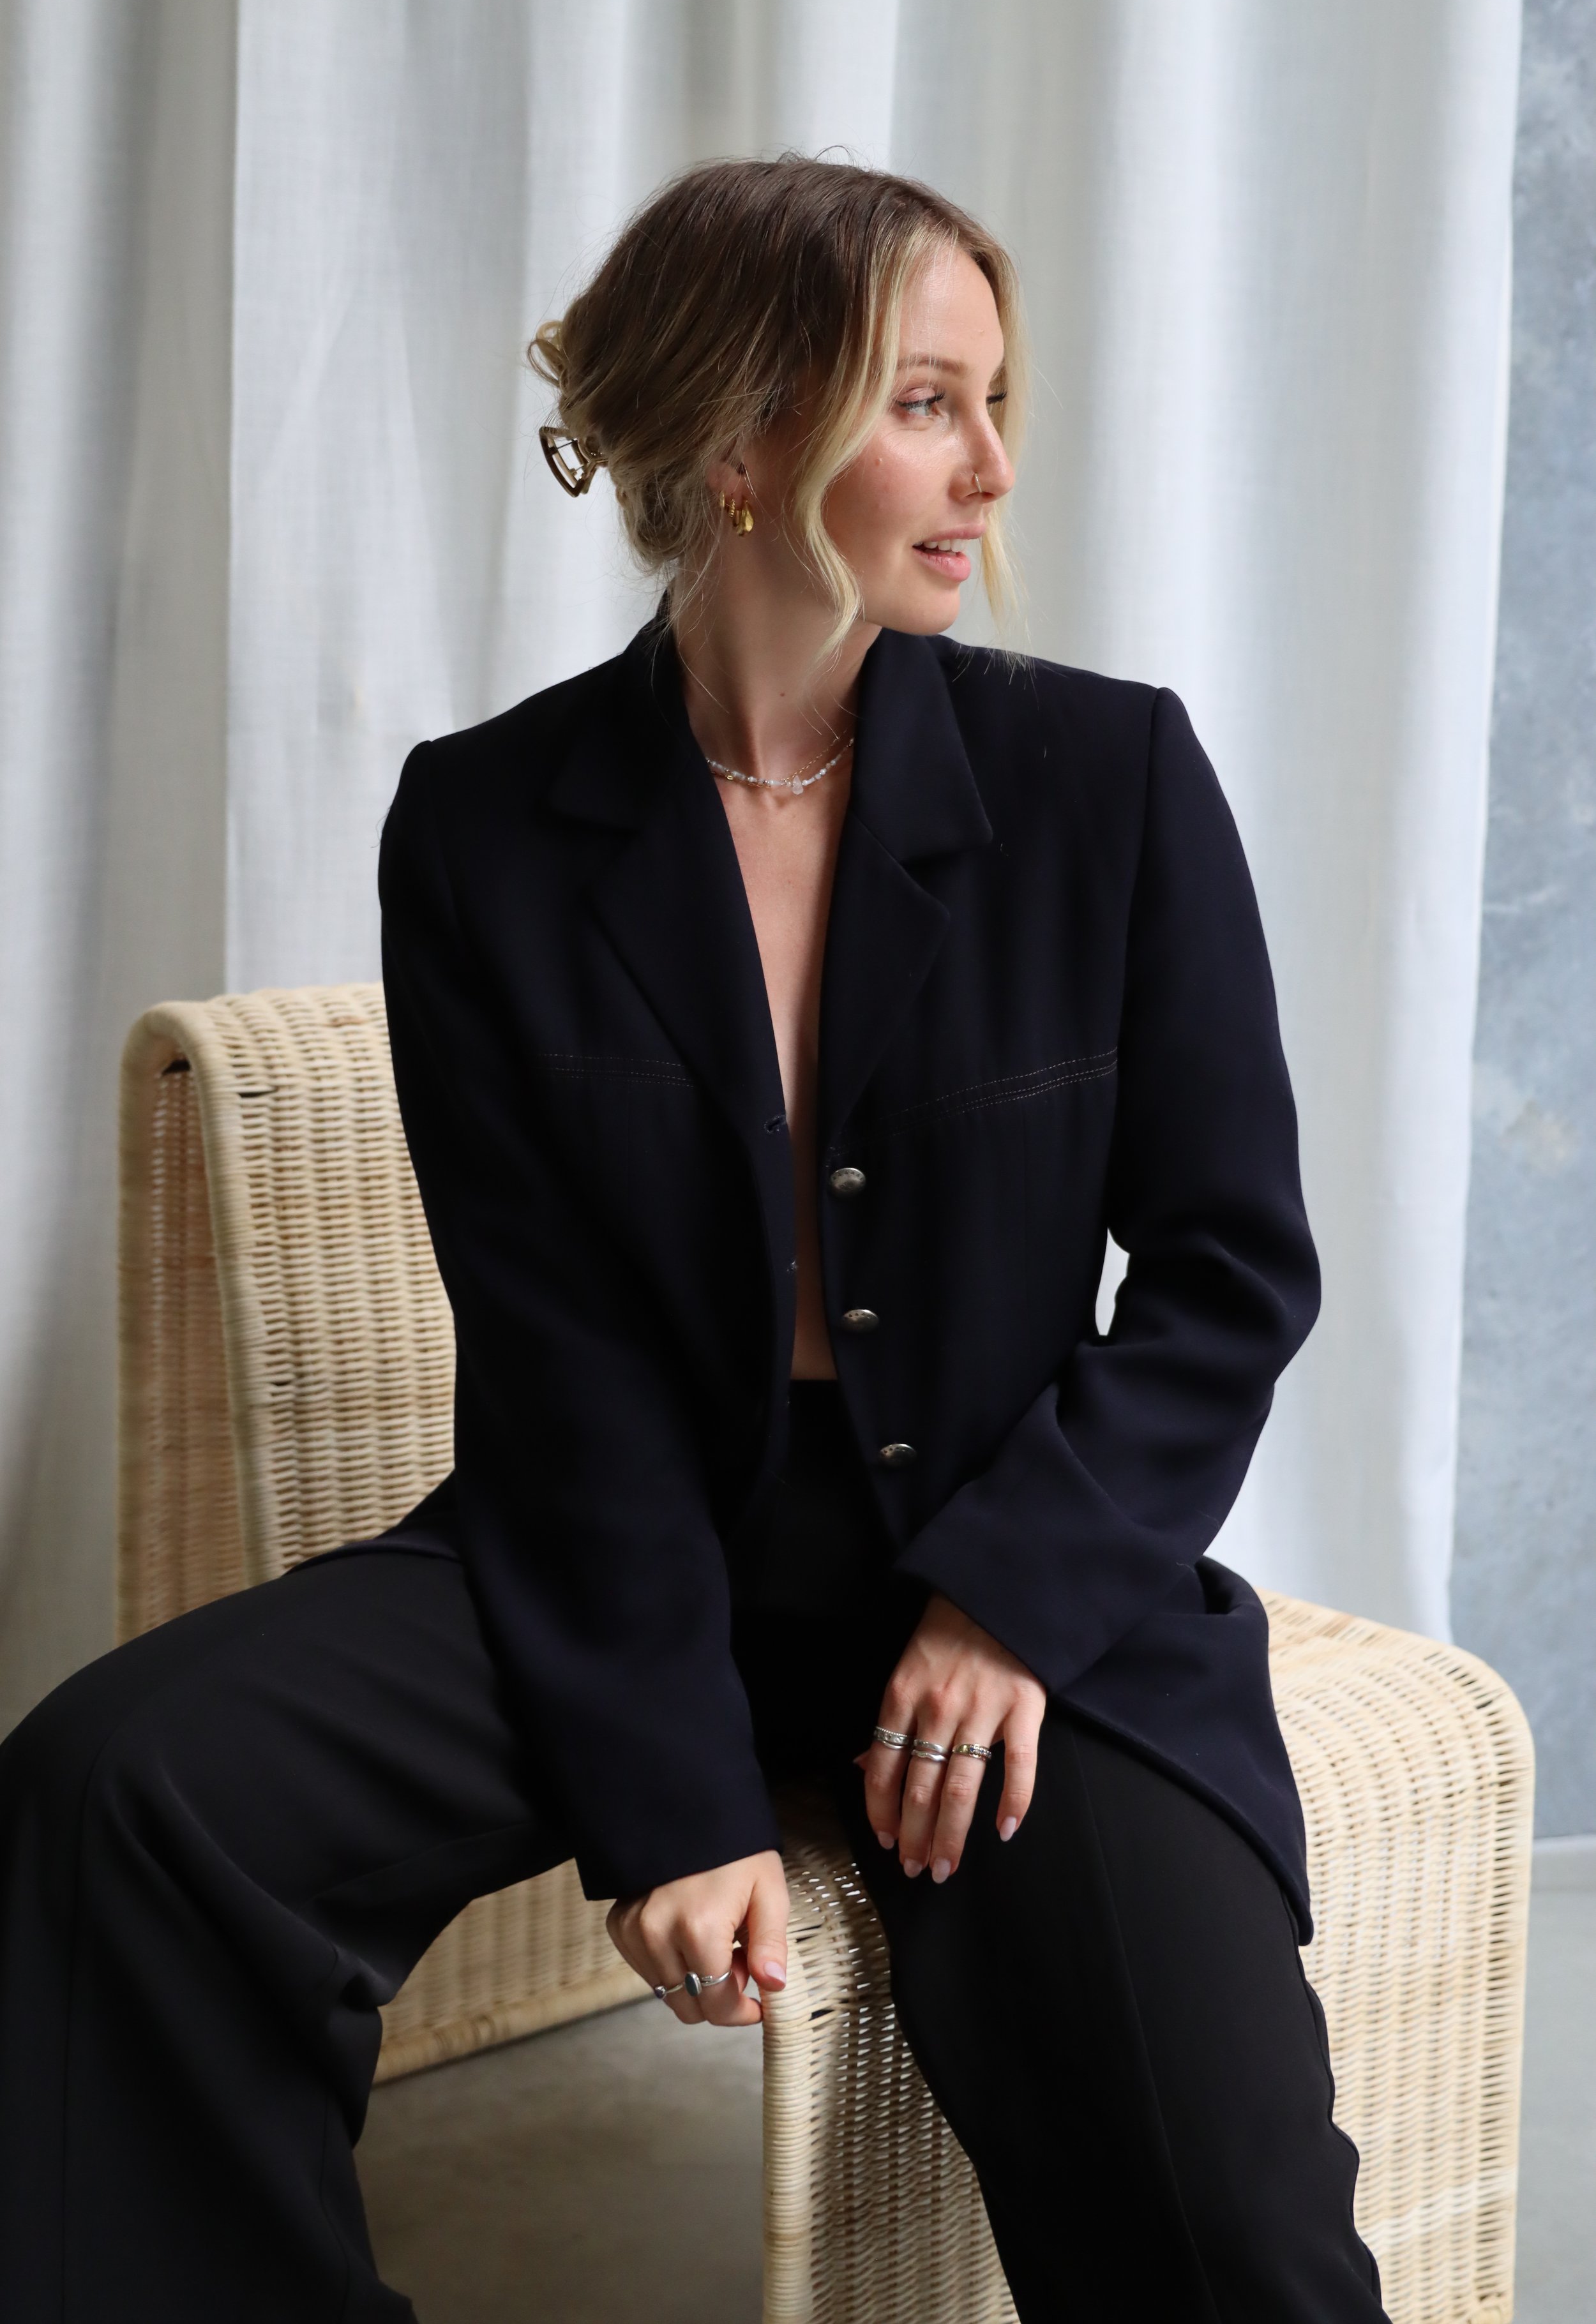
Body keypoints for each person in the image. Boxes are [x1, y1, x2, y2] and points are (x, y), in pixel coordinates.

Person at [0, 156, 1387, 2322]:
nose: (993, 465)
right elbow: (558, 1358)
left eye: (990, 398)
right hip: (612, 1536)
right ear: (744, 442)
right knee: (116, 1796)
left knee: (1227, 2225)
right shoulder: (485, 823)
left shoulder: (1103, 779)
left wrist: (1008, 1608)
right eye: (925, 401)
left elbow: (1229, 1270)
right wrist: (662, 1796)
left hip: (1014, 1566)